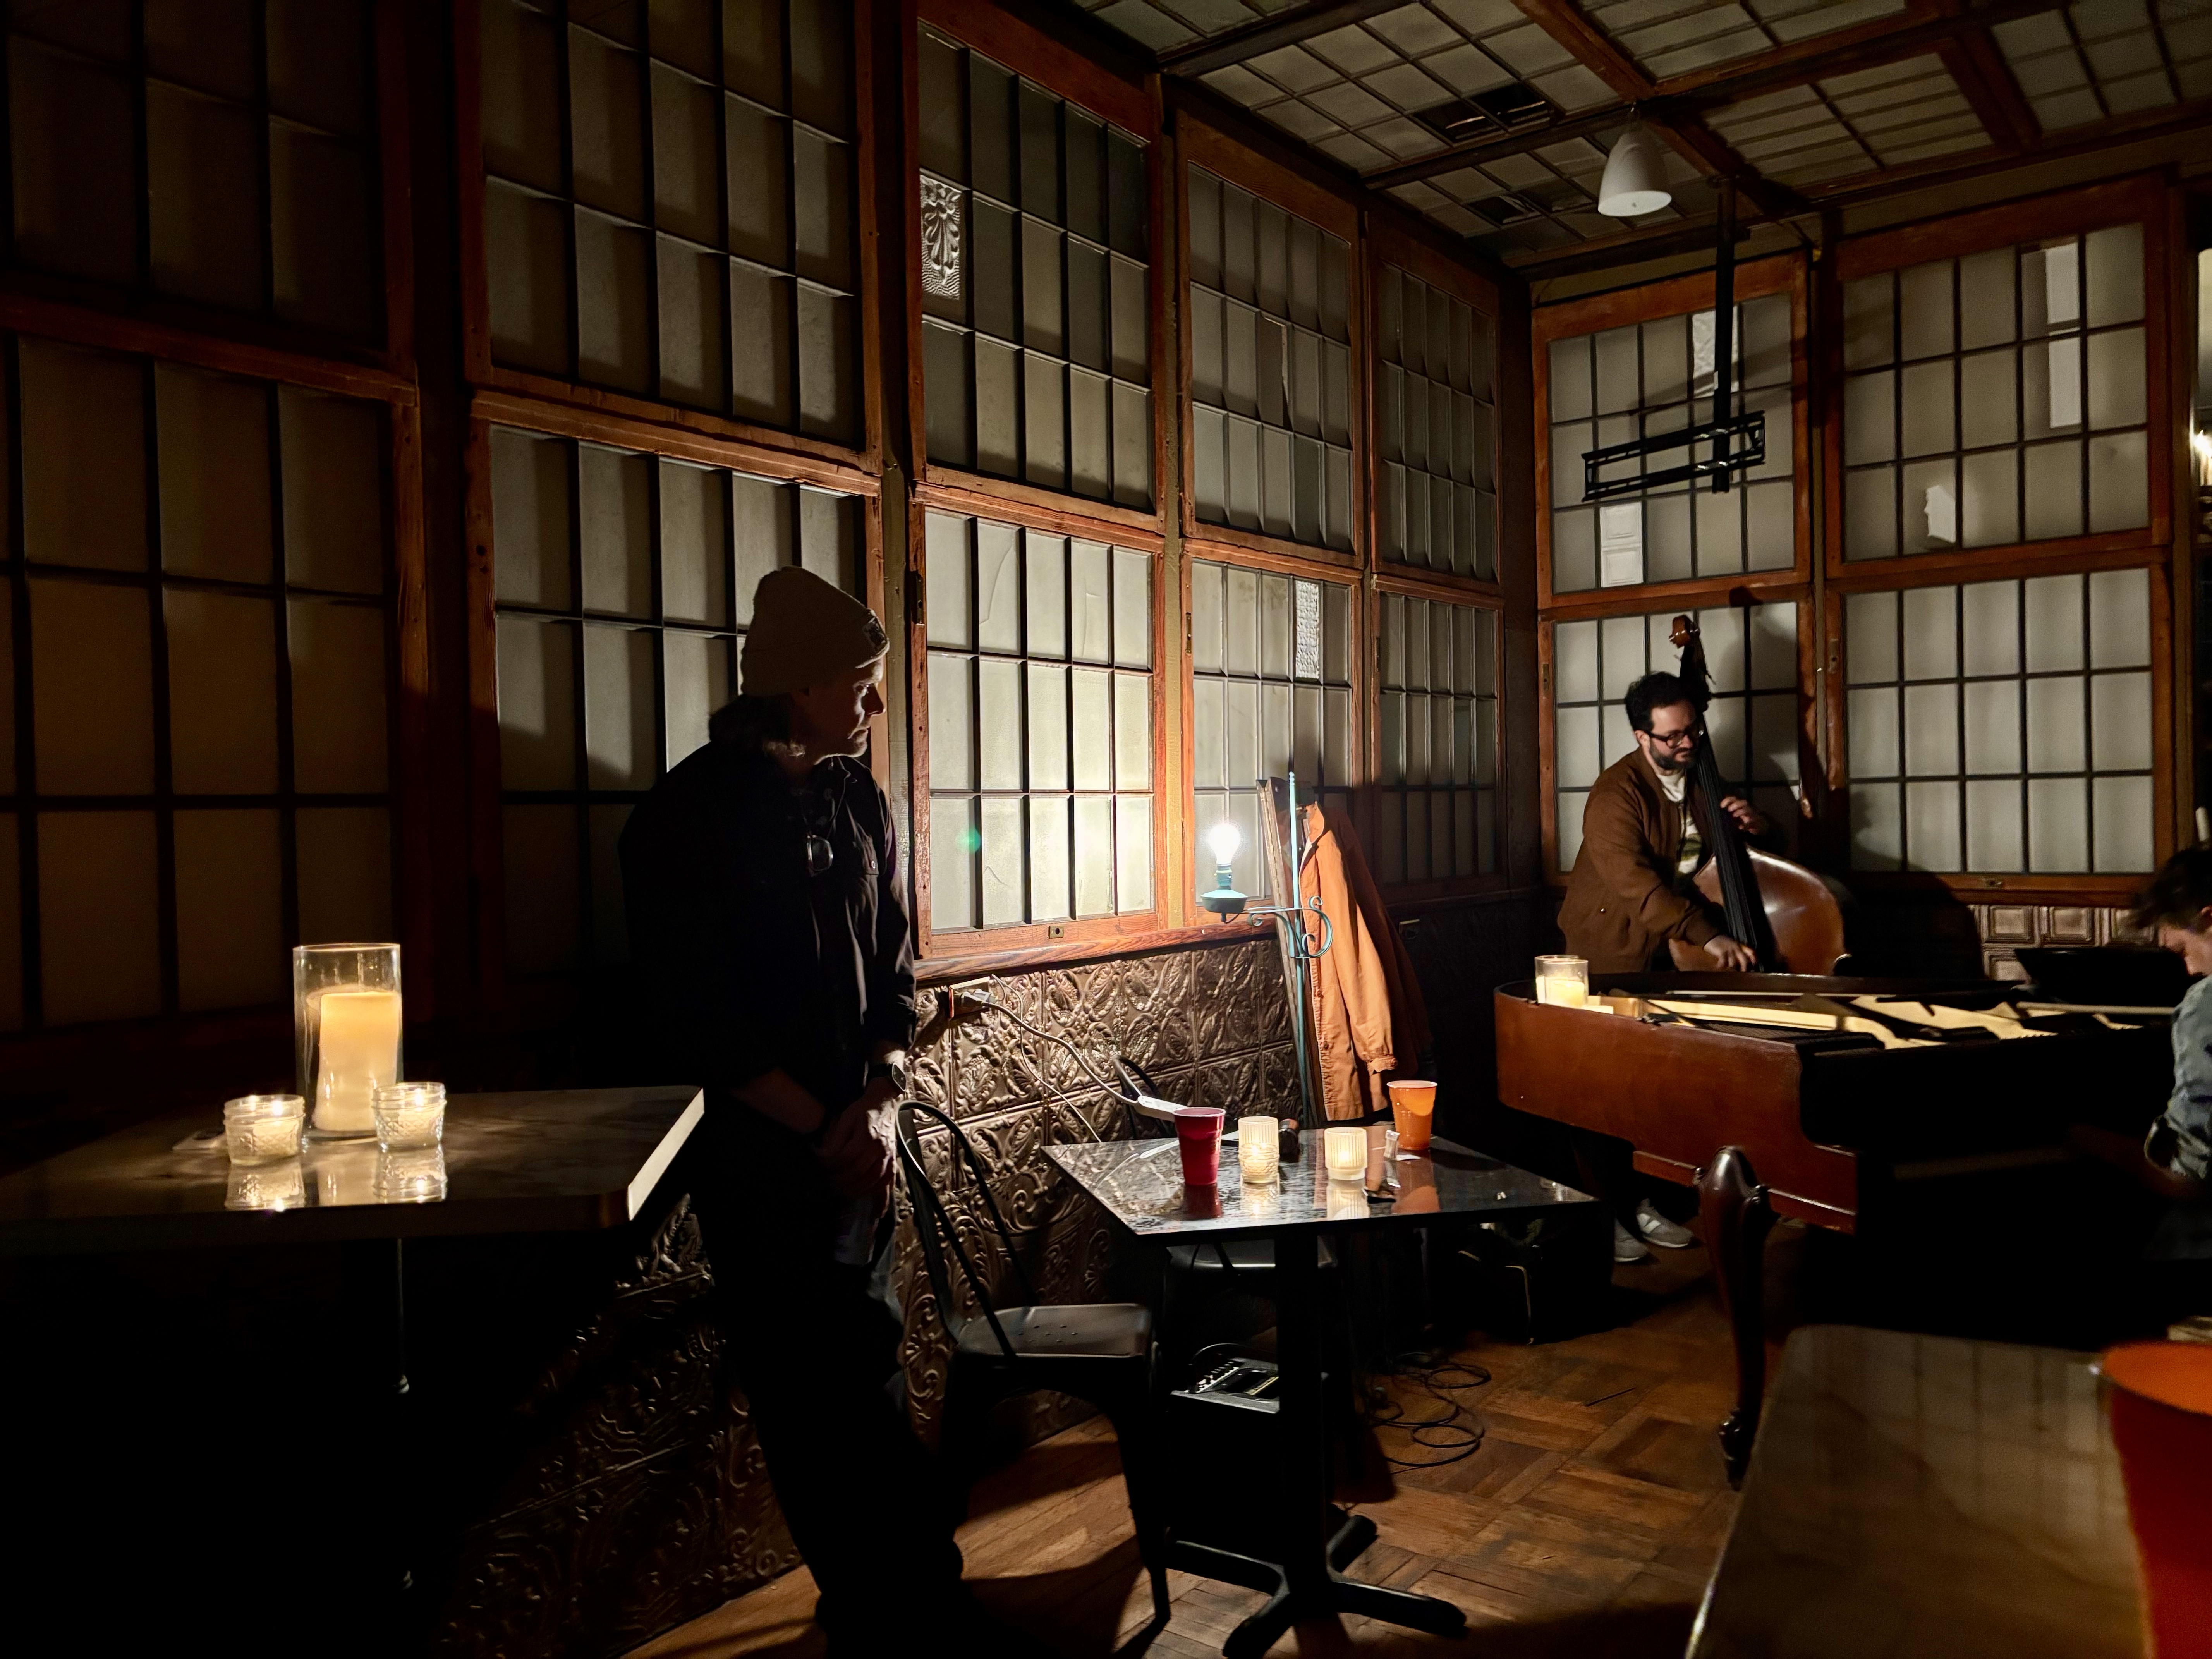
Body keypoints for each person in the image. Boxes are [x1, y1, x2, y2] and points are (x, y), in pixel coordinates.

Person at [620, 568, 1001, 1654]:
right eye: (862, 684)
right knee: (808, 1401)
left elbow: (895, 974)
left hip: (858, 1148)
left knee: (875, 1368)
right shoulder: (685, 819)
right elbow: (695, 1011)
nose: (875, 708)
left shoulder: (861, 802)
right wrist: (815, 1122)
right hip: (761, 1157)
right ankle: (895, 1611)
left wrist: (879, 1102)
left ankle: (914, 1604)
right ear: (797, 687)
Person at [1555, 672, 1773, 1262]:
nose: (1686, 744)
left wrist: (1752, 828)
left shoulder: (1698, 779)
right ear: (1641, 736)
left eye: (1692, 731)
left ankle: (1644, 1202)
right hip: (1609, 952)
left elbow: (1711, 866)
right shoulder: (1614, 795)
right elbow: (1642, 890)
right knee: (1601, 1090)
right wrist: (1712, 937)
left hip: (1667, 950)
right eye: (1673, 736)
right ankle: (1608, 1213)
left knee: (1655, 1090)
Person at [2070, 847, 2212, 1328]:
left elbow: (2188, 1179)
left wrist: (2094, 1143)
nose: (2189, 969)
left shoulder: (2206, 1006)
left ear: (2209, 918)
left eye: (2181, 949)